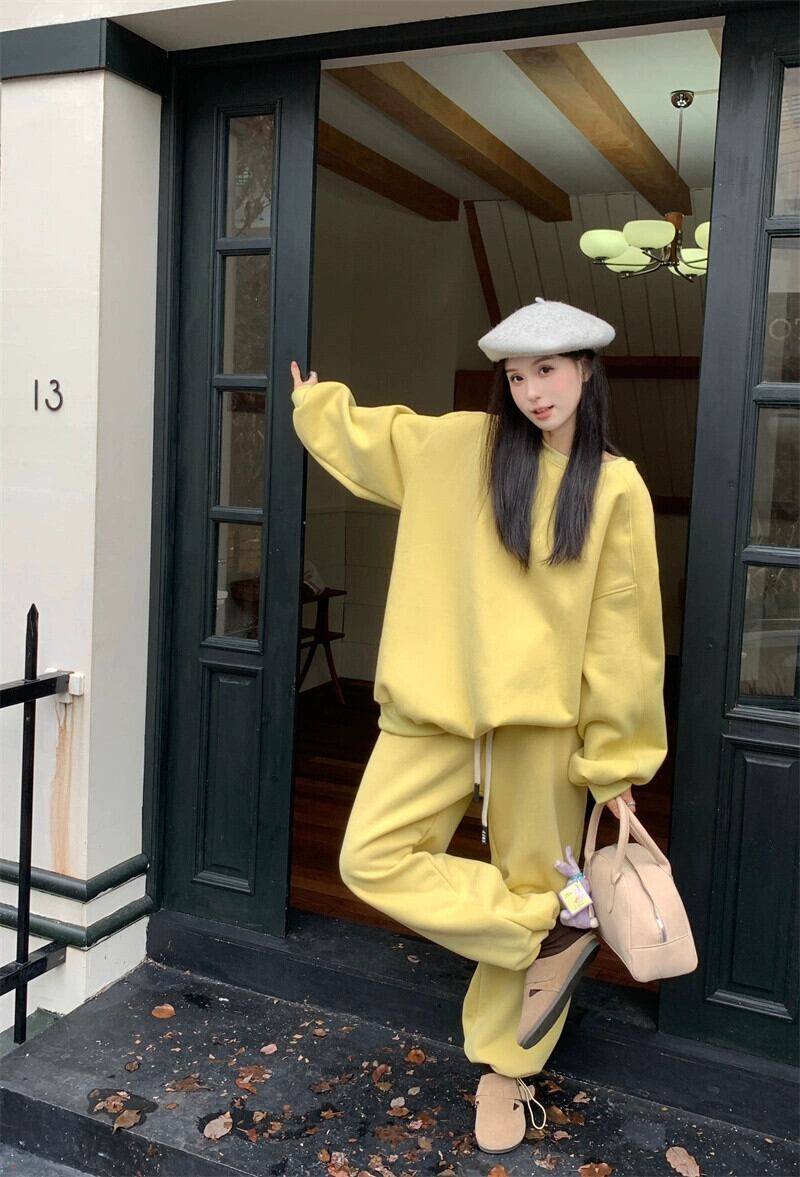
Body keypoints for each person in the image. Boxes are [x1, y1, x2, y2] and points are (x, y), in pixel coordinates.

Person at [289, 297, 668, 1156]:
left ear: (586, 370)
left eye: (549, 370)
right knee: (370, 857)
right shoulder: (461, 445)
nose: (534, 391)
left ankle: (507, 1066)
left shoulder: (615, 485)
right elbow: (375, 439)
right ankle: (546, 927)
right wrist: (315, 403)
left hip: (543, 729)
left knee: (536, 865)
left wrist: (616, 761)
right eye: (518, 375)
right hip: (433, 708)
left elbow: (624, 631)